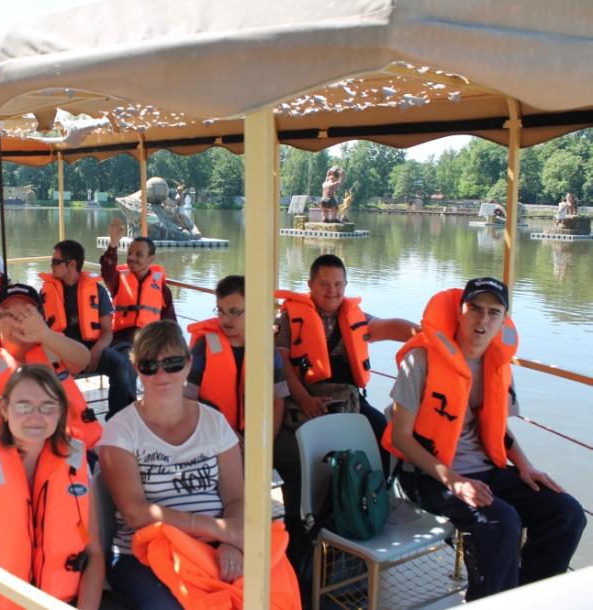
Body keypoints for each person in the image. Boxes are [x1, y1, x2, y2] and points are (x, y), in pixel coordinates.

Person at [382, 278, 585, 601]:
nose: (483, 320)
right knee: (501, 521)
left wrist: (525, 466)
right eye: (474, 308)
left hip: (487, 470)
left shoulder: (497, 363)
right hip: (427, 476)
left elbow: (497, 428)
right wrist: (454, 481)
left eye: (493, 312)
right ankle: (490, 602)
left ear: (503, 321)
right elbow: (401, 437)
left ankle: (527, 596)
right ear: (459, 313)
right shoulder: (421, 359)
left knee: (567, 513)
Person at [273, 254, 419, 565]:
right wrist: (304, 399)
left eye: (338, 284)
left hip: (347, 399)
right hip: (303, 400)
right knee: (309, 460)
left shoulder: (354, 316)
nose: (332, 291)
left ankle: (369, 497)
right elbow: (282, 364)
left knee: (383, 433)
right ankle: (309, 527)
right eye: (324, 284)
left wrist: (425, 336)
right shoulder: (289, 318)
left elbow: (388, 327)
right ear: (311, 284)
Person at [0, 365, 105, 610]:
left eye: (47, 406)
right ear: (4, 409)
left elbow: (93, 552)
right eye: (24, 406)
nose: (35, 416)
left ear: (60, 412)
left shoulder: (76, 461)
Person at [99, 320, 243, 610]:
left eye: (172, 364)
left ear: (188, 365)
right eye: (149, 366)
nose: (162, 375)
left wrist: (231, 543)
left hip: (214, 545)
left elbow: (236, 497)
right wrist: (217, 529)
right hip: (142, 553)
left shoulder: (215, 423)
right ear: (137, 369)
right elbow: (135, 513)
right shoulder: (120, 430)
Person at [0, 284, 102, 451]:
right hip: (22, 456)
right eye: (10, 314)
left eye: (27, 314)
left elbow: (83, 360)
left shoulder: (52, 344)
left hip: (77, 448)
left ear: (40, 317)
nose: (18, 322)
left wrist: (45, 334)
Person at [41, 239, 135, 419]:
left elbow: (107, 331)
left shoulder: (97, 292)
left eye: (55, 262)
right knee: (39, 374)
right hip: (60, 352)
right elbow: (41, 330)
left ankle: (118, 420)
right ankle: (59, 422)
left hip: (92, 350)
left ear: (71, 264)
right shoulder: (46, 292)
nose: (51, 266)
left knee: (122, 367)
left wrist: (96, 351)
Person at [185, 275, 289, 436]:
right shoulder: (203, 348)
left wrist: (263, 443)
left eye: (234, 312)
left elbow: (277, 401)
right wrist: (224, 437)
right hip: (213, 437)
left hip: (258, 438)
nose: (225, 319)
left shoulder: (267, 350)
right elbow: (187, 401)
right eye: (220, 311)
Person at [99, 218, 176, 352]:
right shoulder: (118, 281)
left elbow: (171, 325)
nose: (132, 258)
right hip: (122, 340)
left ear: (151, 259)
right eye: (130, 253)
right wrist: (113, 242)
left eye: (139, 255)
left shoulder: (162, 290)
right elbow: (107, 270)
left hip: (151, 342)